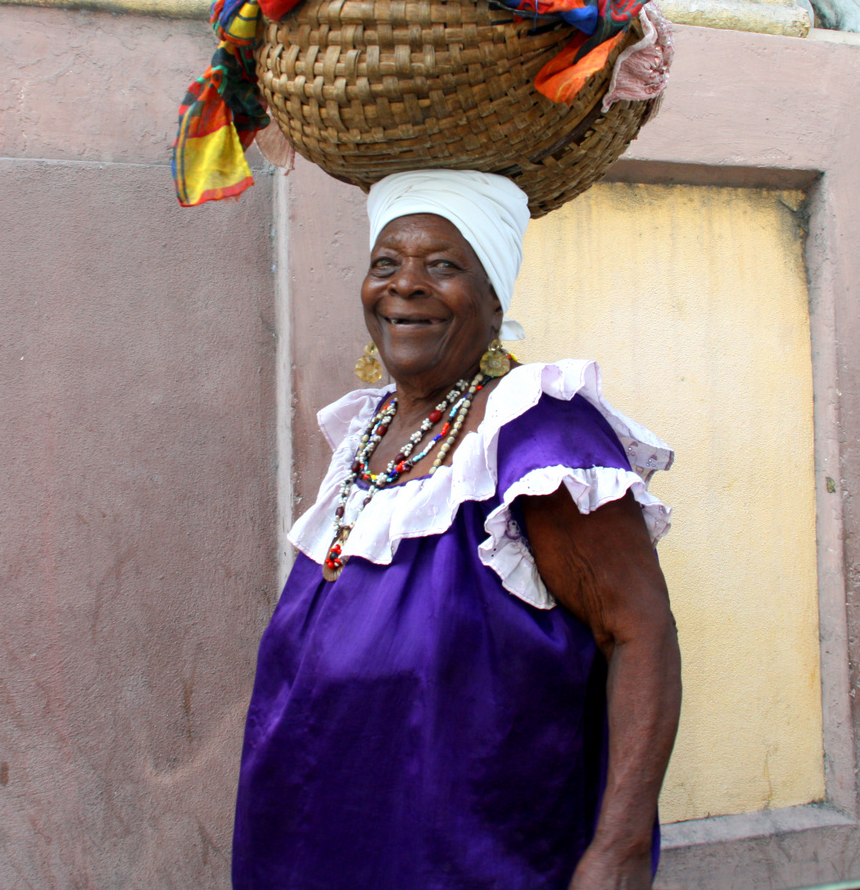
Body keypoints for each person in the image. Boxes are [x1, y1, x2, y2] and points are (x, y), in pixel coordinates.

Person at [232, 169, 682, 890]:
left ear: (495, 296)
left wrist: (620, 847)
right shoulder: (371, 429)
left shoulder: (536, 434)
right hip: (316, 836)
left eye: (443, 266)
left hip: (474, 855)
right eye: (387, 263)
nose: (405, 285)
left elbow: (640, 630)